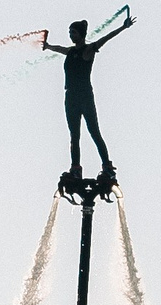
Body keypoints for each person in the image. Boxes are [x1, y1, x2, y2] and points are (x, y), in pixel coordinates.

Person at [41, 13, 133, 181]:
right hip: (70, 97)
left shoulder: (89, 50)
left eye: (73, 32)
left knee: (94, 132)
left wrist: (123, 27)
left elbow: (106, 38)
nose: (71, 35)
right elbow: (58, 48)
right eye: (70, 32)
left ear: (81, 34)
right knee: (74, 136)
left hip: (85, 97)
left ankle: (107, 167)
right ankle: (75, 168)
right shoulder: (70, 51)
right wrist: (47, 46)